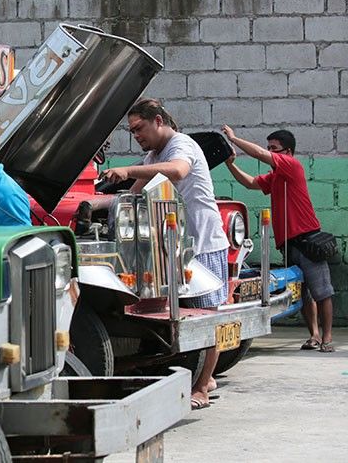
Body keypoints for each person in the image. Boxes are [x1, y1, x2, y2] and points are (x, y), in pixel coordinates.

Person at [102, 98, 231, 411]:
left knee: (207, 316)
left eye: (139, 128)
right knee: (184, 315)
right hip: (178, 244)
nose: (136, 135)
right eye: (132, 131)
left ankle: (202, 387)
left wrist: (128, 168)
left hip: (204, 241)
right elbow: (133, 195)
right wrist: (95, 204)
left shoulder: (180, 145)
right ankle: (206, 376)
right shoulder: (153, 154)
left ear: (158, 120)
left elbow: (178, 171)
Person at [222, 126, 335, 353]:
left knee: (322, 291)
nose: (270, 152)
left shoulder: (292, 166)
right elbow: (250, 183)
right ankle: (313, 335)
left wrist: (234, 139)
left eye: (275, 149)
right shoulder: (275, 177)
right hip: (289, 244)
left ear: (288, 152)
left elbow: (259, 155)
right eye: (269, 148)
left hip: (307, 240)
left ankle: (328, 338)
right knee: (303, 292)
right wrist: (230, 164)